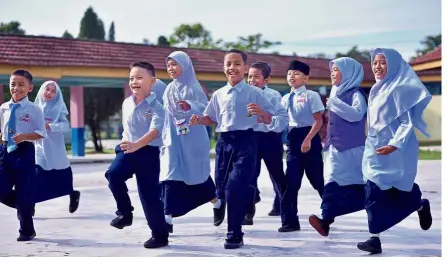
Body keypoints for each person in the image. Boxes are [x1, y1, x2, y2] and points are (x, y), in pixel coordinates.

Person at [189, 49, 276, 249]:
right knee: (221, 186)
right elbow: (211, 118)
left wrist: (263, 113)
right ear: (224, 68)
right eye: (228, 64)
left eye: (237, 64)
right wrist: (199, 120)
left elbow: (272, 118)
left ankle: (234, 233)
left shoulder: (255, 93)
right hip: (225, 142)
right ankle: (224, 201)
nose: (232, 68)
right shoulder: (219, 94)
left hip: (247, 141)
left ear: (245, 68)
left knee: (234, 187)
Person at [357, 48, 433, 254]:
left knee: (400, 193)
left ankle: (419, 204)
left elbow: (406, 124)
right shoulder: (375, 88)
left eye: (383, 62)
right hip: (375, 150)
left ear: (394, 64)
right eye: (375, 62)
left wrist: (394, 145)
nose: (377, 67)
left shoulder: (399, 90)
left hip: (397, 151)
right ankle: (374, 239)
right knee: (373, 191)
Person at [105, 62, 169, 249]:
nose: (134, 81)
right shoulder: (127, 103)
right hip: (127, 150)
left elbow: (155, 131)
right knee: (113, 174)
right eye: (131, 78)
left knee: (149, 196)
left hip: (148, 153)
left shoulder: (158, 107)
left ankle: (160, 236)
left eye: (139, 77)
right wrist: (127, 146)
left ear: (152, 81)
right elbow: (128, 129)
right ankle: (125, 213)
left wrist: (136, 145)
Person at [159, 51, 217, 233]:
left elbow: (207, 110)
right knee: (170, 173)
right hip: (173, 138)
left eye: (174, 64)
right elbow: (165, 112)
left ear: (185, 66)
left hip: (192, 138)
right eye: (168, 65)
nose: (171, 69)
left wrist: (190, 106)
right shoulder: (169, 89)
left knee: (196, 173)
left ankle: (216, 201)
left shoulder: (194, 88)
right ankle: (167, 218)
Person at [308, 57, 367, 236]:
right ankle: (325, 220)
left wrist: (335, 104)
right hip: (333, 148)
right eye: (332, 70)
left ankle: (414, 203)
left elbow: (357, 115)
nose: (332, 74)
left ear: (348, 72)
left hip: (352, 148)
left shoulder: (356, 94)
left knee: (359, 187)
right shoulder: (335, 92)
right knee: (332, 183)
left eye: (336, 70)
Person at [0, 70, 46, 241]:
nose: (16, 88)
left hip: (25, 151)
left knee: (23, 191)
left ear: (30, 88)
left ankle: (27, 231)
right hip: (5, 151)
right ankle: (25, 205)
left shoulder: (34, 110)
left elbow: (41, 133)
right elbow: (1, 132)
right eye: (13, 84)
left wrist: (24, 137)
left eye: (21, 84)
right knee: (2, 190)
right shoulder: (4, 108)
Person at [280, 60, 325, 232]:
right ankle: (290, 222)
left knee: (317, 181)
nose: (292, 76)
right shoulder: (285, 99)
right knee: (291, 183)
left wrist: (307, 139)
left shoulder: (311, 96)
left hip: (309, 139)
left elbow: (319, 120)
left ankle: (329, 214)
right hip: (292, 140)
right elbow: (282, 121)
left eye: (296, 73)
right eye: (289, 73)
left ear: (306, 78)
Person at [243, 62, 288, 224]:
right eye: (249, 76)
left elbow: (278, 117)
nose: (252, 80)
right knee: (249, 174)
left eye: (256, 76)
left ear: (266, 80)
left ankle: (283, 207)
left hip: (270, 138)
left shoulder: (273, 95)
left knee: (276, 174)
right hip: (252, 139)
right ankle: (248, 211)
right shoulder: (244, 94)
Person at [32, 80, 80, 212]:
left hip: (55, 148)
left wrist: (50, 126)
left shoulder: (59, 109)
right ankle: (31, 204)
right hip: (39, 147)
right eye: (47, 89)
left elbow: (65, 126)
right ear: (41, 90)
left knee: (63, 174)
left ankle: (73, 194)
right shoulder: (34, 108)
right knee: (36, 175)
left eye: (53, 91)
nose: (49, 93)